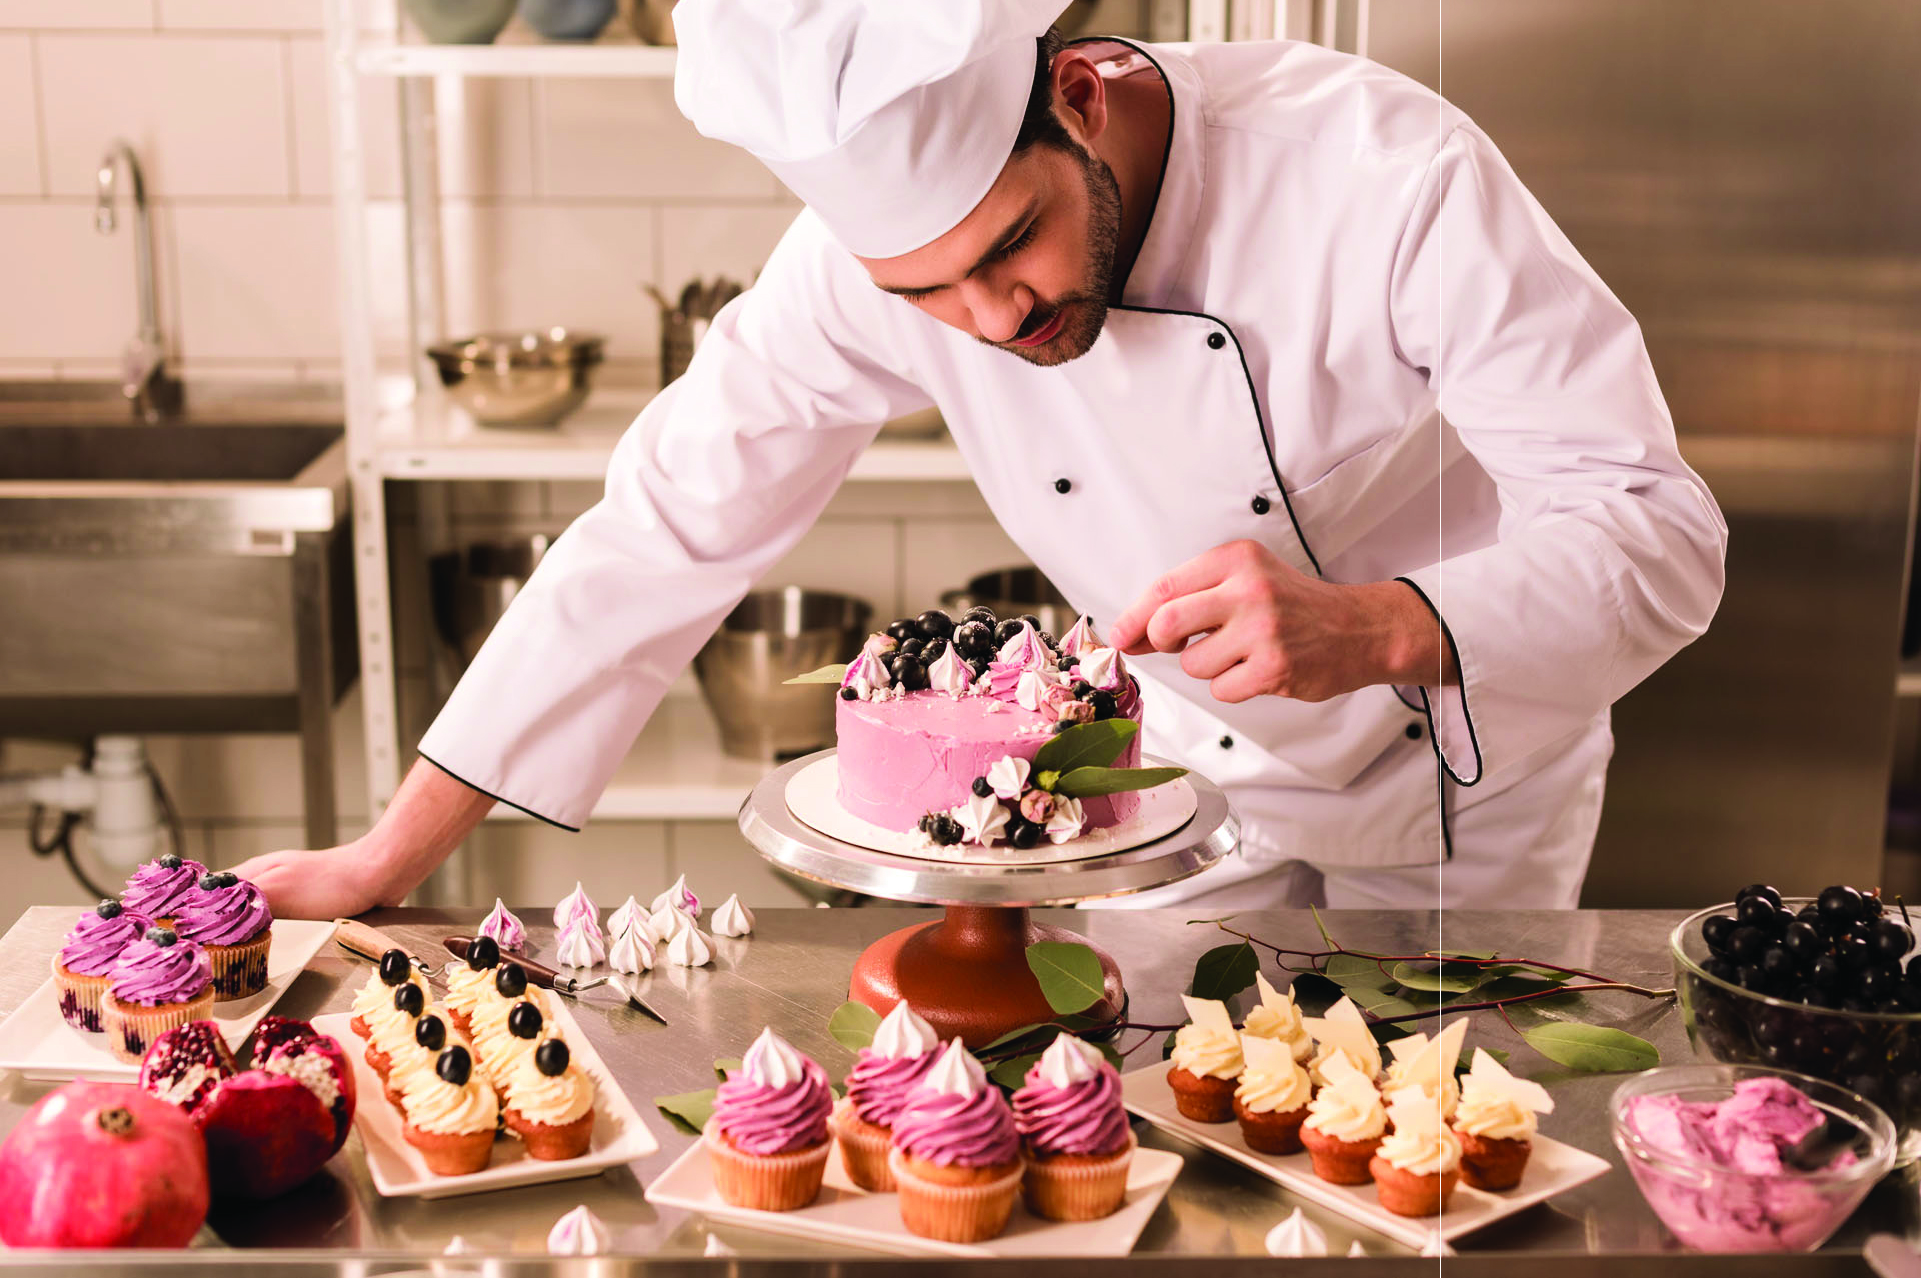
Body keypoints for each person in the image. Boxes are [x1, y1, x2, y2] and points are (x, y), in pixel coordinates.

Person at [235, 1, 1725, 918]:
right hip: (1173, 802)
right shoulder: (869, 270)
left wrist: (1378, 621)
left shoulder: (1378, 175)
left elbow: (1656, 529)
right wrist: (392, 848)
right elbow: (663, 527)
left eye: (1012, 243)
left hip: (1460, 802)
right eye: (925, 295)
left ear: (1080, 90)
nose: (992, 319)